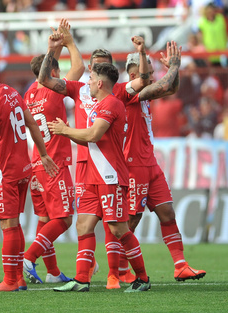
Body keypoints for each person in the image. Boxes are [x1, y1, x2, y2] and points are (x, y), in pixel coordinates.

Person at [37, 34, 151, 289]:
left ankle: (142, 277)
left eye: (89, 77)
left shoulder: (112, 102)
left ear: (99, 81)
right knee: (83, 224)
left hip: (109, 174)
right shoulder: (88, 96)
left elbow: (92, 135)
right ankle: (81, 279)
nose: (85, 80)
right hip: (87, 172)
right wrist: (52, 50)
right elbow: (44, 80)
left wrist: (65, 130)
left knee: (118, 228)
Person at [117, 42, 206, 282]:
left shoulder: (145, 94)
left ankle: (180, 265)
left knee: (167, 212)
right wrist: (174, 67)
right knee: (131, 220)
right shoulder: (130, 93)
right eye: (149, 72)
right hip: (134, 165)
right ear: (134, 75)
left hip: (150, 163)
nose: (153, 75)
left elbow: (169, 88)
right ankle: (121, 270)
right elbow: (166, 84)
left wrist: (174, 71)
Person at [0, 57, 58, 292]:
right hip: (23, 167)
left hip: (6, 169)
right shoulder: (11, 92)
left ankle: (10, 280)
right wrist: (42, 154)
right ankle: (18, 277)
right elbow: (31, 123)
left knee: (8, 224)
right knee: (15, 224)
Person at [22, 19, 84, 284]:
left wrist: (54, 49)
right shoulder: (55, 90)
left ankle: (53, 271)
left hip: (36, 162)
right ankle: (28, 258)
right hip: (55, 163)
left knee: (45, 219)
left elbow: (46, 74)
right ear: (55, 73)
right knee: (64, 219)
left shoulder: (28, 94)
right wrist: (69, 43)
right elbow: (79, 68)